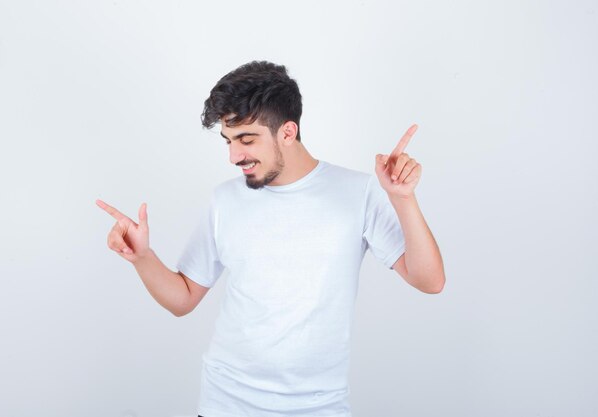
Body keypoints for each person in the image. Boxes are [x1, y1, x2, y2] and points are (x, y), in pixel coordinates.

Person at [96, 61, 445, 417]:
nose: (235, 156)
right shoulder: (225, 200)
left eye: (247, 140)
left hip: (318, 407)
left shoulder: (357, 193)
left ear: (288, 132)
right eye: (229, 141)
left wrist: (403, 199)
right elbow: (183, 299)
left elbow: (430, 281)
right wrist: (142, 257)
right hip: (225, 403)